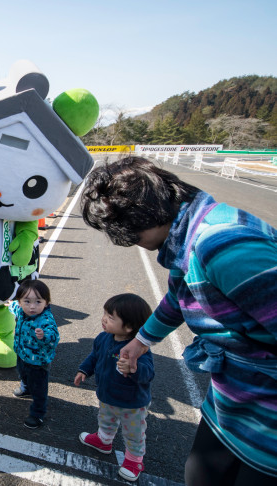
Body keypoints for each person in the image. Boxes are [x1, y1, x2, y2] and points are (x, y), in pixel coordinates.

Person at [81, 156, 277, 485]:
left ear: (140, 219)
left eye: (124, 234)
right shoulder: (189, 234)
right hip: (231, 403)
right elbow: (179, 296)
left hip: (266, 424)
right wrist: (141, 341)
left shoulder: (224, 246)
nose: (129, 244)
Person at [74, 293, 154, 482]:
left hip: (132, 403)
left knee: (133, 432)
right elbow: (94, 356)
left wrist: (134, 368)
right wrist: (84, 370)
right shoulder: (104, 338)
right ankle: (104, 441)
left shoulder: (138, 349)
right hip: (107, 395)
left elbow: (149, 373)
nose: (104, 319)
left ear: (129, 327)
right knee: (106, 418)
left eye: (110, 317)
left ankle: (134, 460)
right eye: (105, 314)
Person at [8, 279, 59, 430]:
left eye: (38, 301)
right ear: (20, 302)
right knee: (22, 373)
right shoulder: (20, 310)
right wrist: (7, 304)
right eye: (27, 301)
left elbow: (54, 337)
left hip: (38, 363)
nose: (32, 306)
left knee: (39, 388)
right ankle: (26, 387)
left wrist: (44, 336)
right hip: (22, 354)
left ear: (46, 303)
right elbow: (13, 307)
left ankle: (37, 414)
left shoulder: (45, 320)